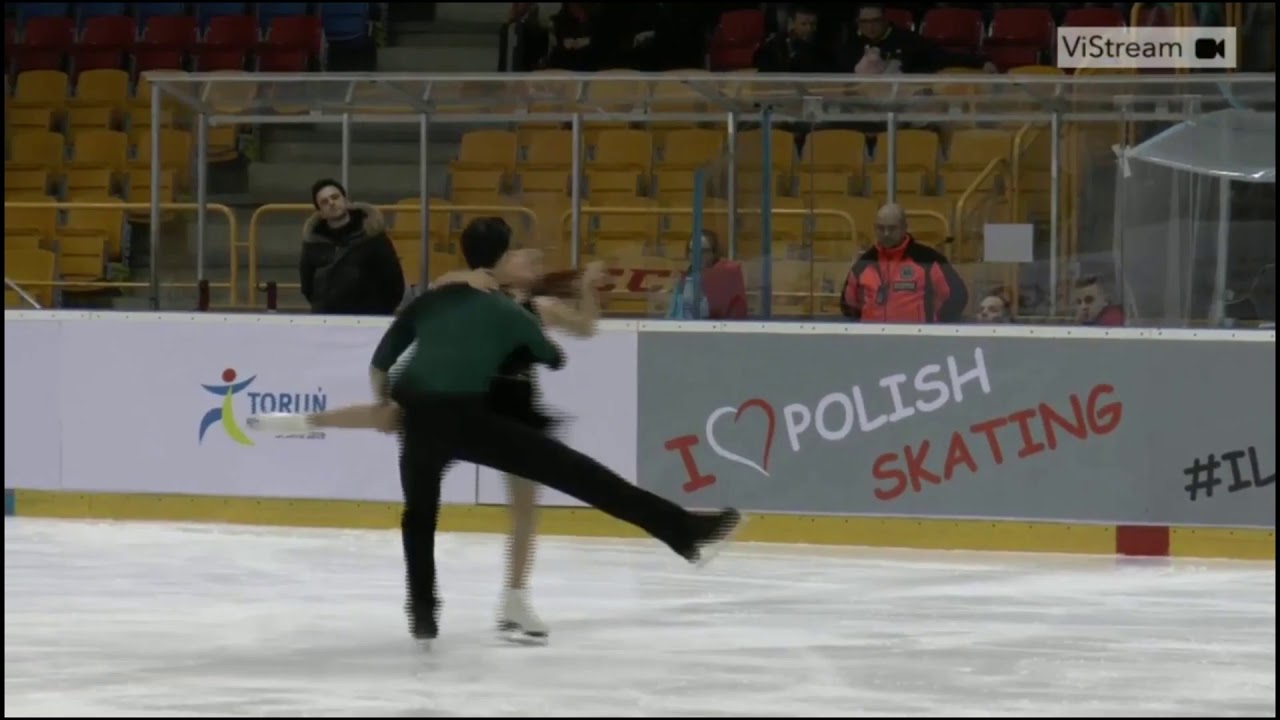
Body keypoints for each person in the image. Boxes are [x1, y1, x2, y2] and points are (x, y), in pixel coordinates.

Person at [251, 217, 743, 647]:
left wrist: (583, 290)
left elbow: (577, 331)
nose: (528, 263)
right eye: (519, 256)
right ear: (498, 263)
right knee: (572, 480)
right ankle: (302, 423)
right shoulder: (484, 297)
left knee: (468, 511)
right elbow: (546, 351)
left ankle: (474, 603)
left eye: (530, 260)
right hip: (473, 413)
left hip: (480, 412)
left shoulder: (497, 300)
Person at [840, 203, 968, 324]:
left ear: (904, 227)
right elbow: (849, 304)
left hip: (917, 340)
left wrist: (934, 325)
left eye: (892, 228)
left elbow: (957, 297)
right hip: (871, 340)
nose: (886, 234)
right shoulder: (864, 263)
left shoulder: (927, 260)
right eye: (880, 228)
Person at [300, 178, 406, 316]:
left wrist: (378, 313)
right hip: (326, 321)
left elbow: (394, 283)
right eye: (324, 202)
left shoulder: (373, 237)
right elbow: (307, 285)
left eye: (335, 197)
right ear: (320, 211)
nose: (331, 203)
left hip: (369, 320)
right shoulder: (313, 243)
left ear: (345, 200)